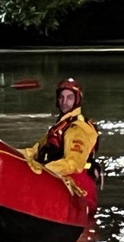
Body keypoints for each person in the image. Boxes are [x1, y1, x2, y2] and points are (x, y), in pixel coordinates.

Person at [18, 77, 101, 215]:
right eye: (61, 97)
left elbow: (73, 163)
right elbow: (34, 151)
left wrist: (41, 172)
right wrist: (6, 152)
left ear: (77, 100)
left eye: (69, 98)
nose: (64, 102)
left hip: (78, 190)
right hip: (57, 183)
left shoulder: (79, 128)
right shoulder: (59, 127)